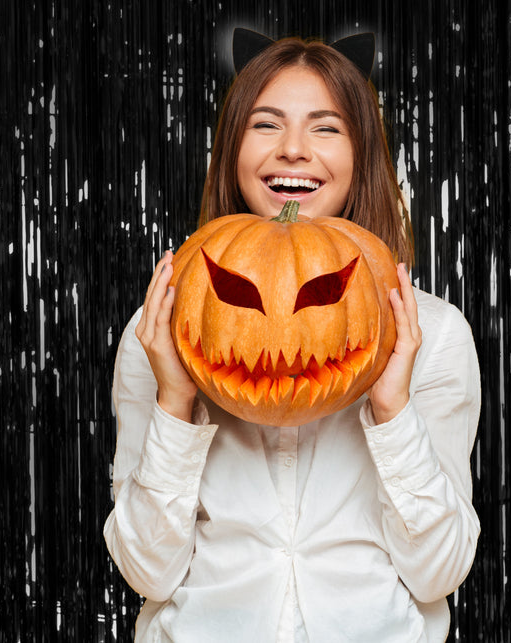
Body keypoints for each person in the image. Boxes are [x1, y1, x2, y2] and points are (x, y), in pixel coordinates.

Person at [104, 32, 481, 642]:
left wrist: (392, 410)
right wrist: (176, 401)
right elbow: (149, 573)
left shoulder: (433, 335)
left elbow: (439, 573)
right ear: (233, 150)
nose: (294, 151)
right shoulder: (159, 333)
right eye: (266, 124)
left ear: (362, 156)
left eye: (326, 128)